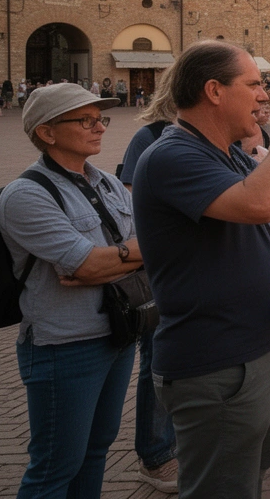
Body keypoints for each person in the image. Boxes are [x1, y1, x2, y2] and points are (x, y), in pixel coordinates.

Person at [132, 41, 270, 499]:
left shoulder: (221, 150)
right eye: (253, 84)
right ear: (214, 91)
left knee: (245, 475)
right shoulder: (173, 155)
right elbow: (262, 202)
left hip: (261, 347)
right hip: (217, 360)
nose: (265, 95)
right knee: (221, 487)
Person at [0, 83, 140, 498]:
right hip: (65, 345)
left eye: (100, 119)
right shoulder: (26, 195)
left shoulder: (109, 184)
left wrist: (109, 260)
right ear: (47, 132)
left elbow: (120, 255)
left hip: (118, 332)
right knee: (55, 466)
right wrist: (122, 257)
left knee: (96, 449)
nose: (99, 128)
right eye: (85, 120)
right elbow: (88, 263)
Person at [118, 78, 180, 493]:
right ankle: (156, 454)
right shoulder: (151, 136)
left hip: (199, 268)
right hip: (161, 266)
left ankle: (182, 443)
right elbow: (128, 198)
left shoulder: (233, 135)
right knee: (158, 357)